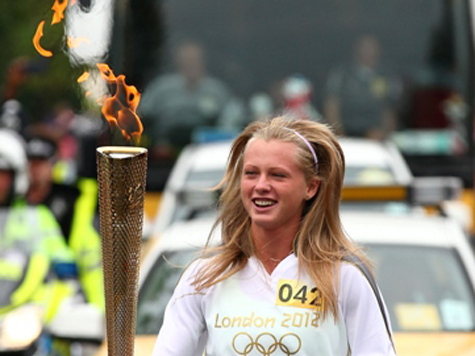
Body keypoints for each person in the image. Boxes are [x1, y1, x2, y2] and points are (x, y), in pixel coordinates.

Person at [152, 116, 396, 355]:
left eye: (278, 175)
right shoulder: (203, 278)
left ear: (311, 187)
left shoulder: (344, 278)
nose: (261, 185)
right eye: (251, 173)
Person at [0, 128, 76, 322]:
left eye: (3, 174)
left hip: (21, 321)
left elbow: (65, 273)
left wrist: (46, 314)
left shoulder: (37, 217)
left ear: (17, 176)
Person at [25, 134, 105, 311]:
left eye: (41, 162)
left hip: (65, 288)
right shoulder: (15, 204)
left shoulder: (70, 199)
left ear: (53, 164)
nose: (35, 169)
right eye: (31, 162)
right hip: (22, 293)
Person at [139, 40, 245, 158]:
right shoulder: (161, 89)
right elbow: (142, 117)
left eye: (194, 59)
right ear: (178, 61)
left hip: (206, 155)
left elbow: (231, 121)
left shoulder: (217, 91)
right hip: (165, 158)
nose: (190, 64)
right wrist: (156, 142)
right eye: (186, 60)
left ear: (203, 61)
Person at [324, 35, 401, 140]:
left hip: (375, 138)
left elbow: (389, 110)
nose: (369, 52)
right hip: (345, 136)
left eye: (372, 48)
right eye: (365, 48)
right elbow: (332, 105)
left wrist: (384, 133)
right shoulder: (341, 75)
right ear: (356, 50)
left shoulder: (387, 77)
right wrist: (338, 133)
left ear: (379, 50)